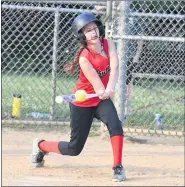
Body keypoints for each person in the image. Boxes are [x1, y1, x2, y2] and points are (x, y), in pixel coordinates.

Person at [30, 12, 126, 182]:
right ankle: (41, 145)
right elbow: (98, 86)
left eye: (94, 28)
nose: (93, 32)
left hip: (101, 100)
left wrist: (111, 87)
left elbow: (115, 65)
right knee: (74, 148)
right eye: (88, 31)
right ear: (82, 36)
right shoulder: (84, 58)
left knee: (115, 125)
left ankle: (117, 167)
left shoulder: (108, 44)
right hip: (82, 103)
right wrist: (105, 89)